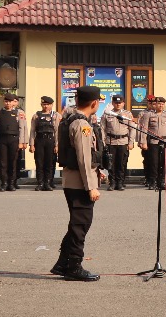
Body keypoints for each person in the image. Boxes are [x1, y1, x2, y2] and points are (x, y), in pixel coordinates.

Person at [51, 85, 104, 282]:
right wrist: (91, 186)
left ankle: (63, 263)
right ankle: (74, 265)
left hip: (72, 179)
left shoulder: (69, 120)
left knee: (77, 224)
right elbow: (83, 158)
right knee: (80, 225)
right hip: (79, 183)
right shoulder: (82, 125)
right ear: (95, 103)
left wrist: (97, 172)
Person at [0, 93, 28, 192]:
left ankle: (11, 183)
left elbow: (21, 128)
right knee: (3, 163)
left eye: (10, 101)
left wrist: (21, 142)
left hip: (14, 139)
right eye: (6, 101)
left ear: (13, 102)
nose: (8, 103)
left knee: (13, 162)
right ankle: (4, 183)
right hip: (2, 139)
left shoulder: (18, 113)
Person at [101, 94, 135, 191]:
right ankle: (112, 182)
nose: (118, 104)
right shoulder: (107, 114)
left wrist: (131, 142)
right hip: (111, 141)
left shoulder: (127, 114)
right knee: (111, 163)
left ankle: (120, 182)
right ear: (112, 103)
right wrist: (103, 142)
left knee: (122, 163)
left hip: (123, 141)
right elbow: (102, 129)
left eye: (120, 103)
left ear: (123, 103)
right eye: (116, 103)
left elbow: (132, 129)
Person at [29, 96, 59, 191]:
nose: (46, 106)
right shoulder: (36, 116)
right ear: (41, 104)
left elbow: (57, 131)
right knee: (39, 162)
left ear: (52, 105)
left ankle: (48, 182)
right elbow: (32, 131)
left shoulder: (55, 116)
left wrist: (57, 145)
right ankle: (40, 183)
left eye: (48, 104)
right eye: (44, 104)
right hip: (39, 141)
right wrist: (32, 144)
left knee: (49, 162)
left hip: (50, 140)